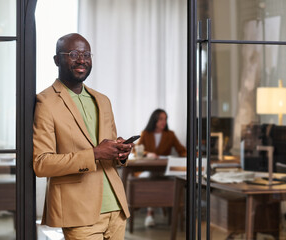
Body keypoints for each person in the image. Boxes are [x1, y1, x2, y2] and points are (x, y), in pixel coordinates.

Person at [33, 33, 133, 240]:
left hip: (116, 210)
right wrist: (95, 153)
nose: (82, 60)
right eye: (74, 54)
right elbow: (42, 164)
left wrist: (120, 153)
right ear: (56, 60)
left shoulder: (103, 100)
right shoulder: (45, 102)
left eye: (86, 54)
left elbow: (109, 154)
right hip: (79, 214)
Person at [136, 108, 186, 227]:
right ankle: (150, 213)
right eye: (161, 119)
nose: (163, 122)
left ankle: (151, 213)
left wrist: (195, 154)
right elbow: (135, 149)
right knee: (151, 177)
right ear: (154, 120)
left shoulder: (170, 134)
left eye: (165, 119)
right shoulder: (146, 133)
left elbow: (181, 150)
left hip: (164, 170)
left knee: (161, 178)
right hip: (147, 169)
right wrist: (148, 153)